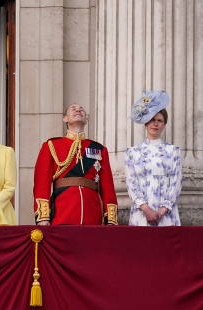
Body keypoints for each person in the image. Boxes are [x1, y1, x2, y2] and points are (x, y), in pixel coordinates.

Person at [33, 103, 118, 225]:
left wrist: (110, 219)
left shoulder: (99, 149)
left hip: (92, 213)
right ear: (65, 119)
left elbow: (107, 186)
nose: (78, 110)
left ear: (87, 120)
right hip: (63, 213)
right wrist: (43, 217)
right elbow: (42, 183)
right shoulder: (51, 146)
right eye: (73, 109)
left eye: (81, 109)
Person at [125, 90, 182, 226]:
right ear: (145, 122)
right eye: (151, 119)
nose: (155, 124)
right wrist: (146, 209)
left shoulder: (173, 151)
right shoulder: (132, 152)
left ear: (164, 124)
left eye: (159, 121)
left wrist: (163, 210)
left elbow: (176, 182)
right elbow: (131, 183)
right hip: (141, 212)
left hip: (167, 213)